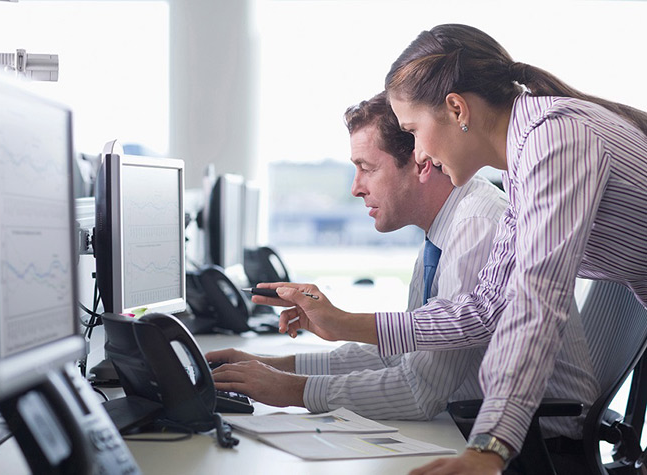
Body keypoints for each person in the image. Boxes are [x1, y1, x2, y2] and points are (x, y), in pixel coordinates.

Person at [253, 24, 647, 474]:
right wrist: (344, 323)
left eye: (414, 130)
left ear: (457, 108)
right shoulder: (525, 166)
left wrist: (489, 448)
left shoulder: (553, 141)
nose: (418, 153)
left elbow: (536, 302)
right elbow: (485, 309)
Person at [208, 91, 596, 450]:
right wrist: (267, 367)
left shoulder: (478, 224)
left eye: (366, 168)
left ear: (420, 162)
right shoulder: (444, 226)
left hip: (541, 451)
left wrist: (291, 390)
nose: (355, 188)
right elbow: (401, 357)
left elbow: (419, 391)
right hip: (483, 428)